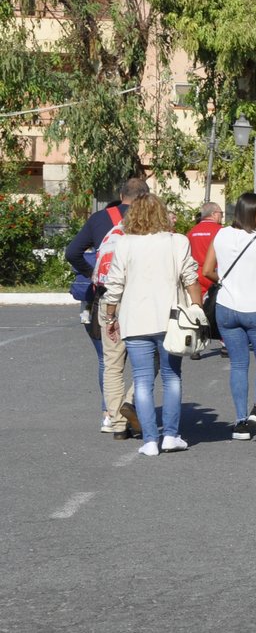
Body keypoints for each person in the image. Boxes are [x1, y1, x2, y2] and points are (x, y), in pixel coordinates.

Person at [100, 195, 204, 457]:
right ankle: (170, 435)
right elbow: (191, 278)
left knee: (142, 380)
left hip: (135, 320)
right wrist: (197, 309)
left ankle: (149, 440)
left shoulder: (124, 244)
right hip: (171, 320)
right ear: (162, 214)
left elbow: (114, 286)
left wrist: (110, 317)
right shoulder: (177, 241)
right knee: (171, 377)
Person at [66, 174, 149, 438]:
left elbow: (72, 252)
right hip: (140, 297)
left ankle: (113, 420)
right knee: (150, 356)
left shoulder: (100, 219)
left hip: (105, 296)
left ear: (122, 194)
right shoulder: (149, 220)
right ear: (143, 197)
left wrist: (92, 273)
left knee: (110, 360)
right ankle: (130, 401)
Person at [202, 192, 256, 441]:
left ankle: (240, 423)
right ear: (251, 212)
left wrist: (224, 281)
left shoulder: (221, 234)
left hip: (227, 307)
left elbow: (206, 270)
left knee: (238, 364)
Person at [186, 201, 224, 296]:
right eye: (221, 213)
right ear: (214, 214)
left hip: (196, 275)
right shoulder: (221, 231)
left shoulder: (191, 232)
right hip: (214, 275)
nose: (222, 217)